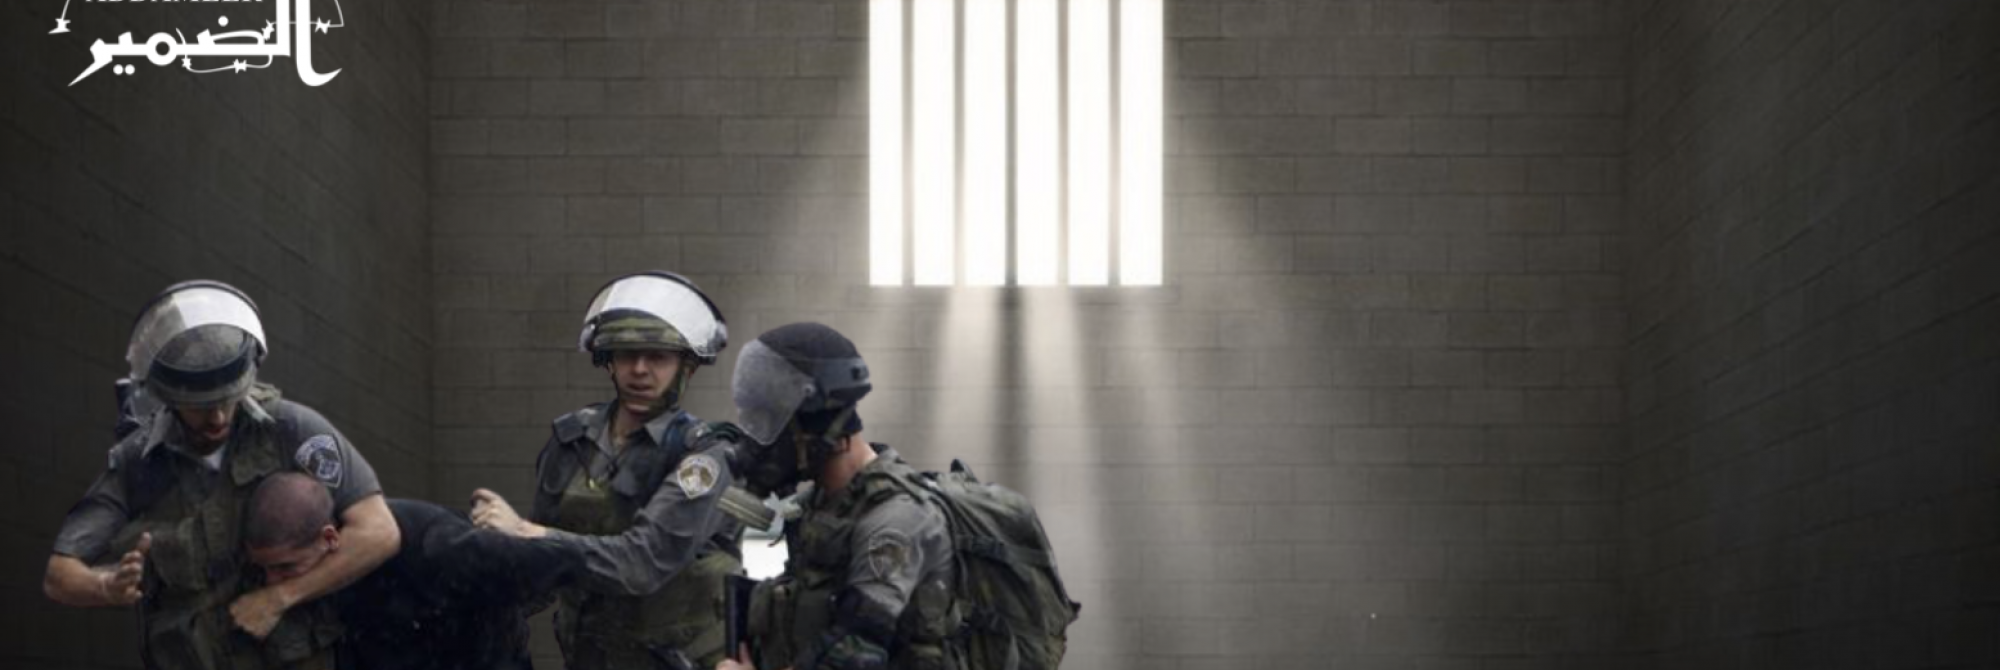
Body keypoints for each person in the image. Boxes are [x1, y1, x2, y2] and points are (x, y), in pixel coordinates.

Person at [42, 280, 400, 670]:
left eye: (227, 399)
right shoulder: (138, 462)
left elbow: (378, 531)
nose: (217, 417)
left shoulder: (291, 429)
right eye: (200, 405)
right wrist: (105, 586)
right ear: (169, 396)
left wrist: (282, 597)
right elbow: (59, 574)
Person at [472, 272, 747, 670]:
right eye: (626, 354)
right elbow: (540, 573)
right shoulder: (572, 441)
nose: (640, 369)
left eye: (658, 357)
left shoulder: (705, 455)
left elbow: (644, 562)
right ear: (608, 361)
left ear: (686, 366)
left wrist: (530, 535)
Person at [718, 323, 959, 670]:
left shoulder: (896, 520)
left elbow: (857, 654)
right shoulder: (816, 505)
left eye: (771, 424)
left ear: (821, 430)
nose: (758, 440)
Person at [242, 472, 585, 670]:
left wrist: (520, 530)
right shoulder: (311, 565)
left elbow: (560, 562)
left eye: (285, 567)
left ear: (330, 538)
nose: (273, 582)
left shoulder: (440, 549)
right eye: (266, 569)